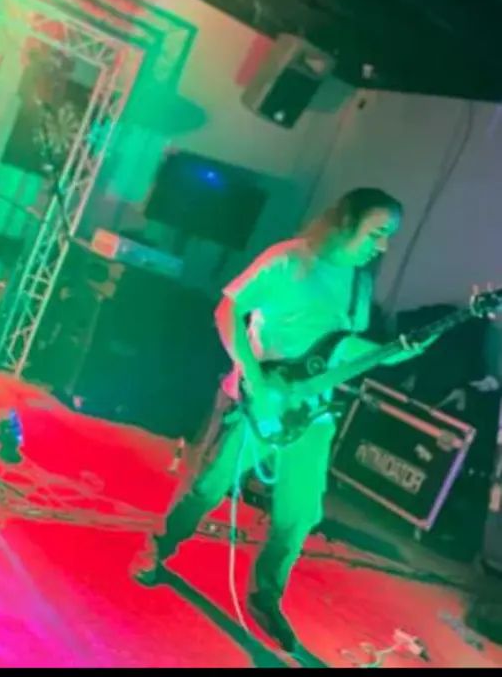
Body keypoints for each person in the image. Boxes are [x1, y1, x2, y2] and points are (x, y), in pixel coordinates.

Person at [130, 187, 432, 653]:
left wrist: (394, 353)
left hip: (312, 412)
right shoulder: (288, 260)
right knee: (207, 487)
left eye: (389, 235)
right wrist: (256, 380)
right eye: (377, 232)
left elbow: (338, 347)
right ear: (347, 222)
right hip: (256, 399)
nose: (384, 245)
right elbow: (228, 309)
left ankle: (266, 595)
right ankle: (159, 547)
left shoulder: (359, 284)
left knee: (301, 512)